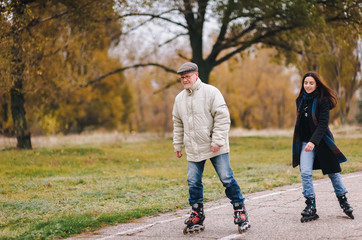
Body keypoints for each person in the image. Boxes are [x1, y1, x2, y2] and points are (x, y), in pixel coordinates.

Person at [172, 62, 250, 234]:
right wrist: (177, 144)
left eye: (188, 76)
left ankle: (240, 210)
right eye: (182, 78)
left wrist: (217, 141)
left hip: (216, 145)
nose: (185, 80)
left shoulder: (211, 92)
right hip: (193, 147)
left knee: (226, 178)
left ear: (196, 75)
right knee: (193, 181)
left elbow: (222, 117)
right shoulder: (179, 99)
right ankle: (197, 213)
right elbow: (178, 124)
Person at [292, 71, 354, 222]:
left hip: (322, 142)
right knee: (305, 173)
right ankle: (310, 205)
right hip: (305, 143)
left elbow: (322, 124)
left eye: (311, 83)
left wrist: (314, 142)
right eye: (305, 83)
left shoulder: (322, 100)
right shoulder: (300, 100)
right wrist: (302, 143)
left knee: (333, 172)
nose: (308, 85)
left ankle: (343, 201)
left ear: (317, 84)